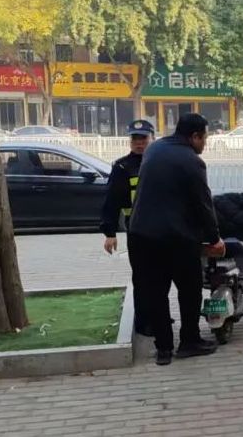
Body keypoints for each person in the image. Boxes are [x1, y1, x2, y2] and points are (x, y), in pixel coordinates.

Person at [129, 113, 225, 366]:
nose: (205, 144)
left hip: (141, 235)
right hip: (176, 238)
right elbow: (203, 203)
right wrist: (214, 238)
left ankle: (163, 349)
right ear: (194, 136)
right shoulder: (192, 161)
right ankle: (189, 342)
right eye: (204, 138)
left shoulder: (154, 148)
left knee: (156, 293)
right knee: (189, 290)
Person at [100, 119, 155, 336]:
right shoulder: (122, 167)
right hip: (138, 231)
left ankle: (159, 315)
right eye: (135, 139)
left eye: (143, 138)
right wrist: (109, 233)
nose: (139, 143)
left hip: (161, 229)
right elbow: (111, 200)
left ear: (152, 138)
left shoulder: (159, 162)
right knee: (141, 277)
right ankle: (144, 322)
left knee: (160, 277)